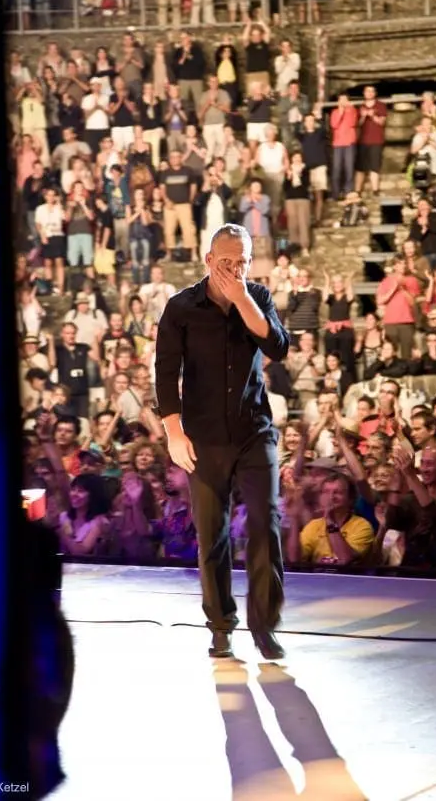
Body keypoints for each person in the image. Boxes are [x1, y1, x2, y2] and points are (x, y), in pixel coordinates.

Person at [155, 223, 289, 660]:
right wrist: (173, 431)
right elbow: (165, 371)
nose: (233, 270)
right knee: (211, 533)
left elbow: (278, 347)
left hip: (253, 429)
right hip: (203, 436)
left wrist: (243, 298)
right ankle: (220, 624)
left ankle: (264, 626)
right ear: (209, 260)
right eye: (226, 262)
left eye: (242, 263)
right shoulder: (181, 307)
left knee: (264, 524)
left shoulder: (257, 298)